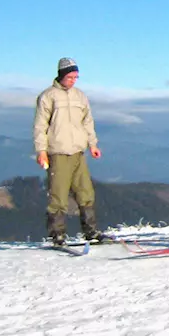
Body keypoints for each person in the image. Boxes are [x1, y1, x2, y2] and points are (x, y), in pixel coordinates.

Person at [33, 57, 105, 245]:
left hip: (78, 152)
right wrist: (41, 151)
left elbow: (87, 121)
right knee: (58, 195)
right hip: (58, 152)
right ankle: (57, 234)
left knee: (85, 192)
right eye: (71, 76)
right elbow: (40, 125)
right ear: (62, 75)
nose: (74, 80)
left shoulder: (80, 96)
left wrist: (93, 144)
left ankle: (91, 231)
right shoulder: (48, 96)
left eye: (76, 77)